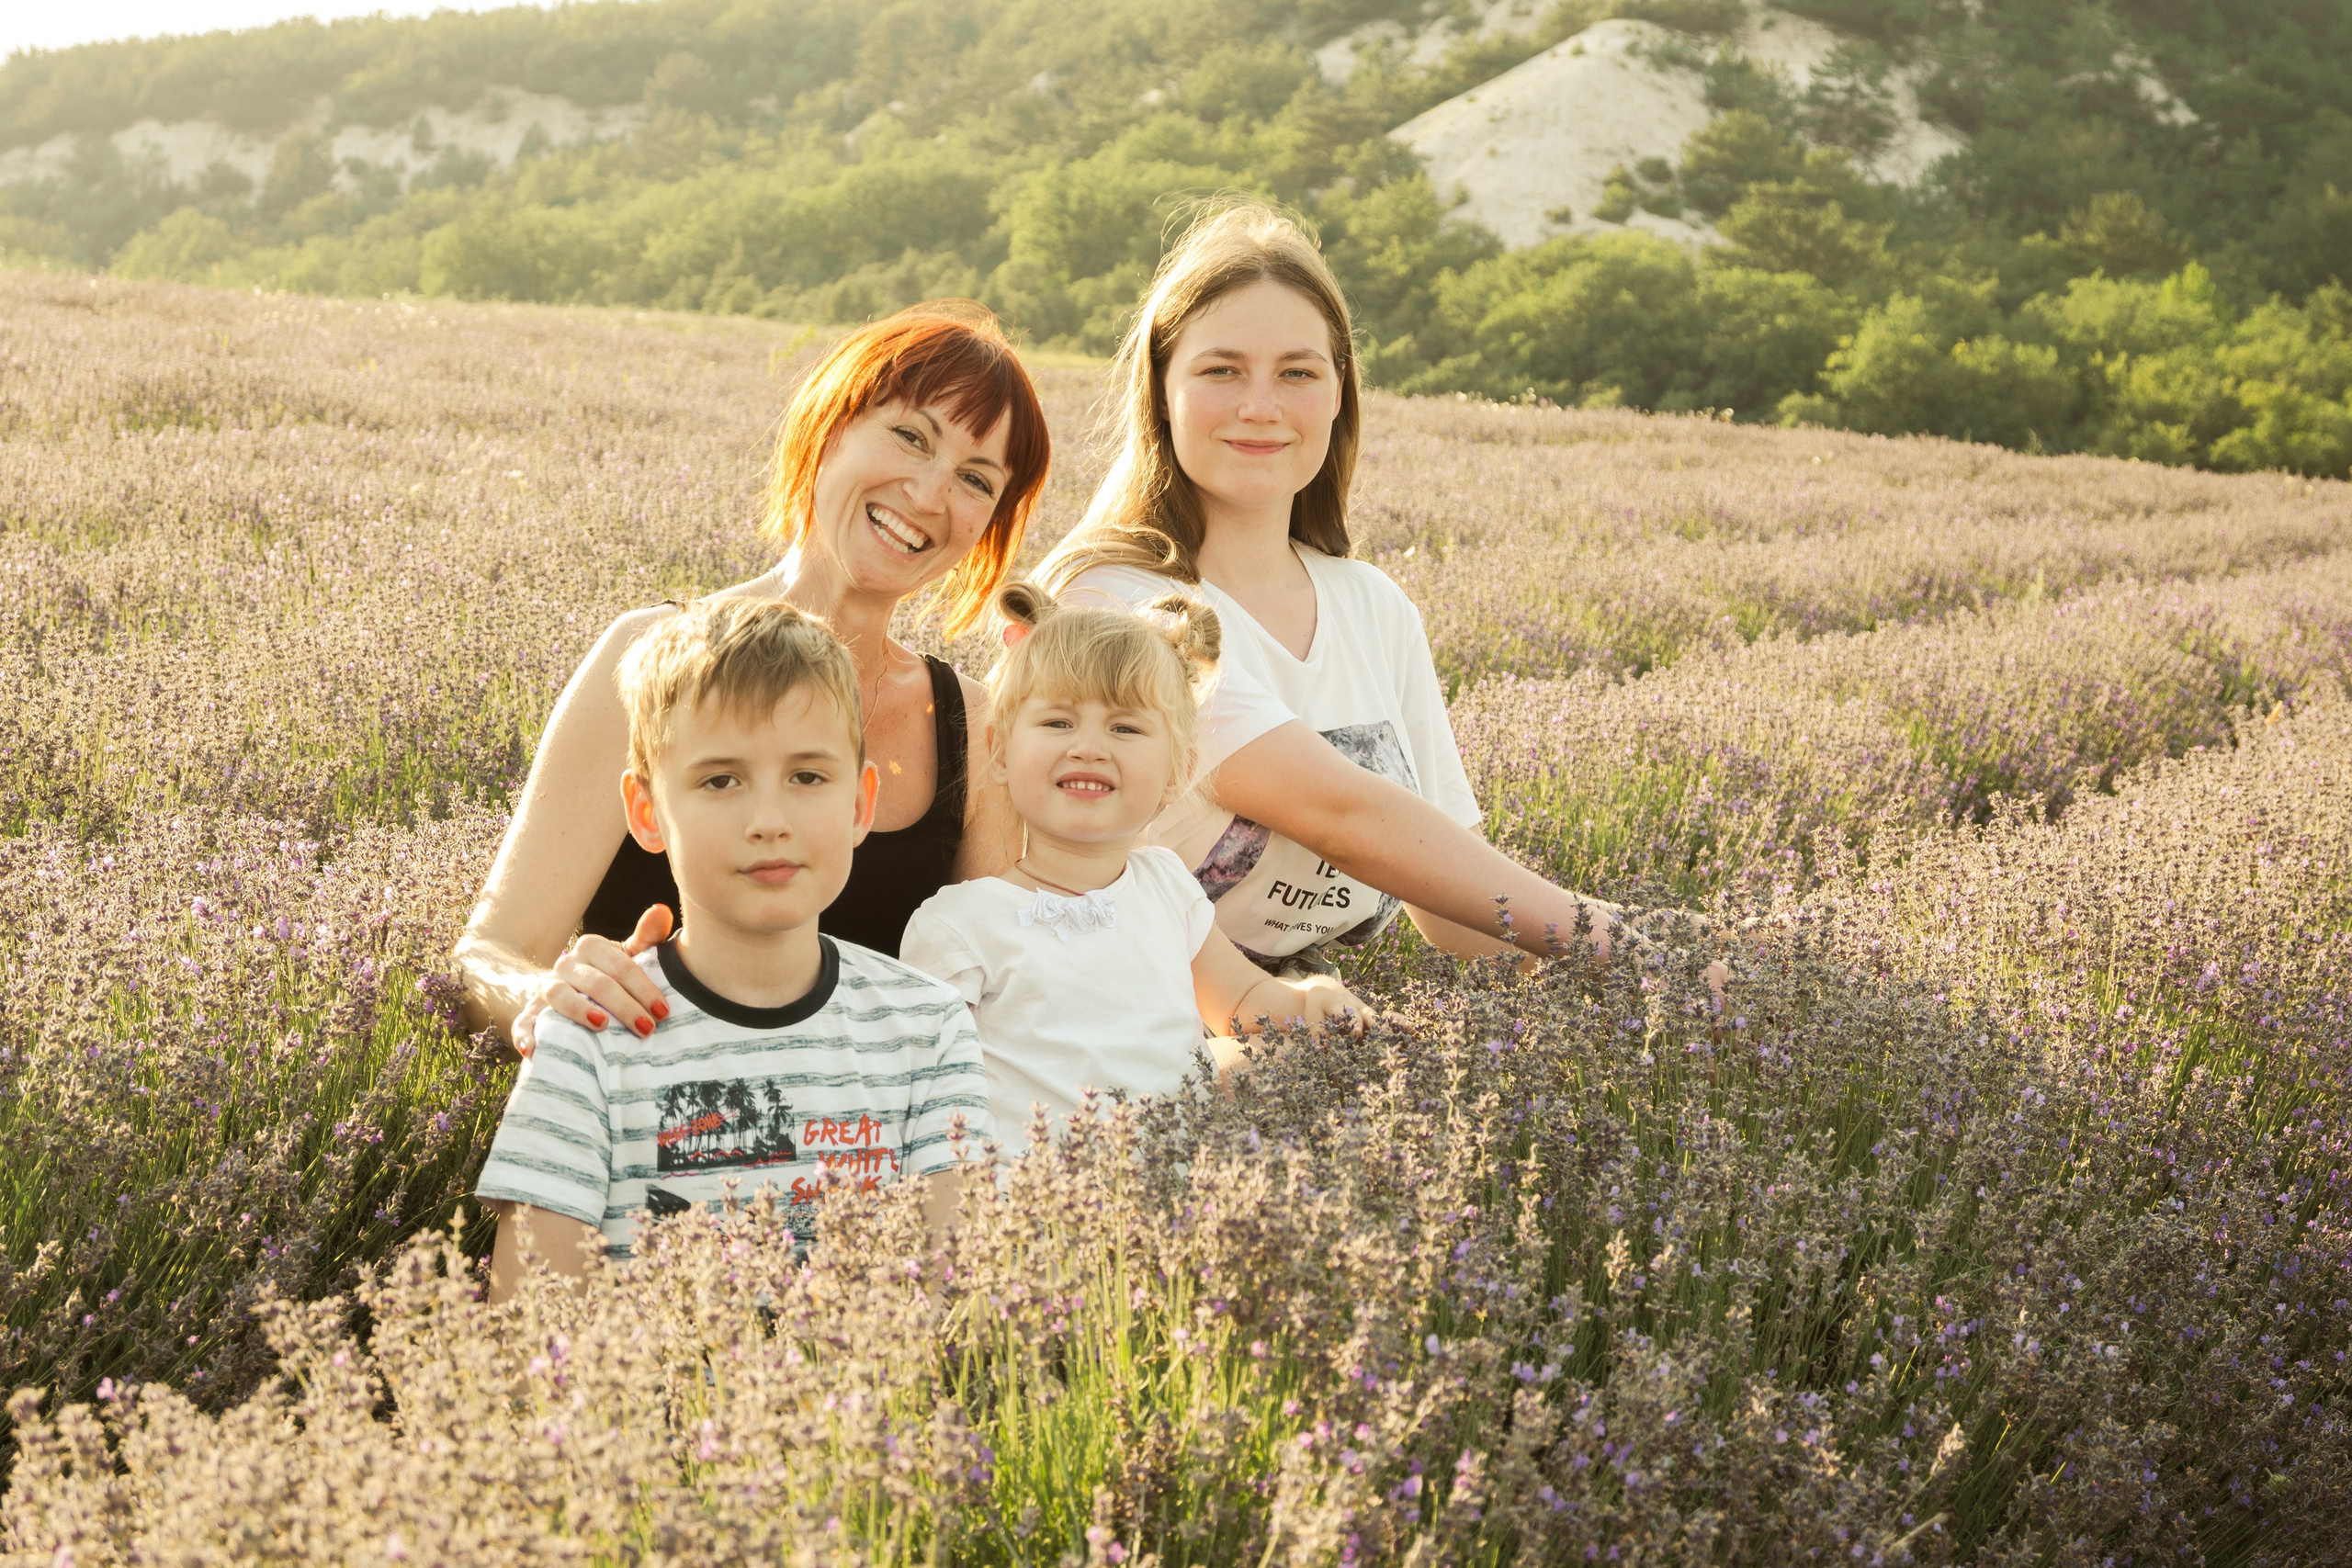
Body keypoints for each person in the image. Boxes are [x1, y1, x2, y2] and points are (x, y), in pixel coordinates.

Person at [1037, 203, 1630, 977]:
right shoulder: (1111, 602)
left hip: (1297, 1043)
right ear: (1162, 389)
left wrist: (1628, 978)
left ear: (1340, 389)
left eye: (1297, 372)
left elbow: (1450, 902)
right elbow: (1338, 814)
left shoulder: (1373, 606)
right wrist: (1627, 945)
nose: (1261, 406)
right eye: (1221, 370)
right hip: (1112, 1041)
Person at [454, 303, 1049, 1053]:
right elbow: (487, 956)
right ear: (831, 427)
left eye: (975, 479)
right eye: (910, 436)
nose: (931, 495)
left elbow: (1004, 999)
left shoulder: (970, 724)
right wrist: (545, 997)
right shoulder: (644, 656)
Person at [475, 597, 989, 1300]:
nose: (769, 821)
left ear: (861, 804)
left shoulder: (927, 1029)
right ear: (648, 812)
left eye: (808, 776)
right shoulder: (591, 1041)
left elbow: (949, 1307)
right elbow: (524, 1345)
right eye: (721, 780)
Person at [899, 582, 1368, 1156]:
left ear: (1177, 771)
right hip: (1035, 1213)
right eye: (1057, 723)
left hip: (1176, 1202)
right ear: (998, 752)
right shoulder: (960, 925)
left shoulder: (1166, 889)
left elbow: (1243, 1002)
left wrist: (1311, 1000)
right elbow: (924, 1100)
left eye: (1124, 728)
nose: (1089, 748)